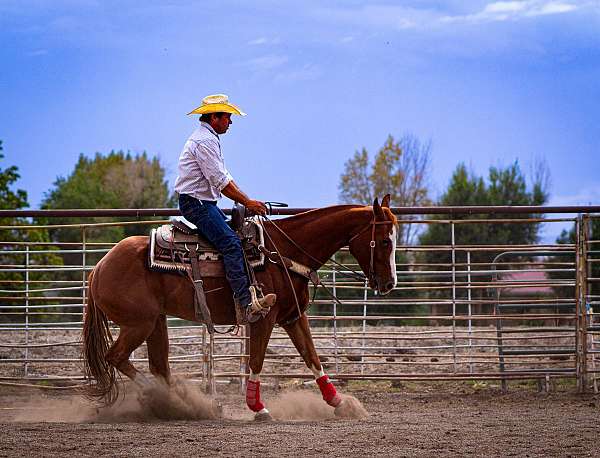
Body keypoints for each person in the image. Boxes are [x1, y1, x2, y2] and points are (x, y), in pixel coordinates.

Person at [174, 94, 276, 322]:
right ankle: (246, 302)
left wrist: (246, 199)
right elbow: (220, 181)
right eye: (228, 117)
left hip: (201, 202)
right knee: (230, 243)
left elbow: (224, 178)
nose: (231, 122)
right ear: (214, 117)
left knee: (233, 237)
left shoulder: (206, 139)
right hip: (198, 204)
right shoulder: (205, 142)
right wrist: (247, 202)